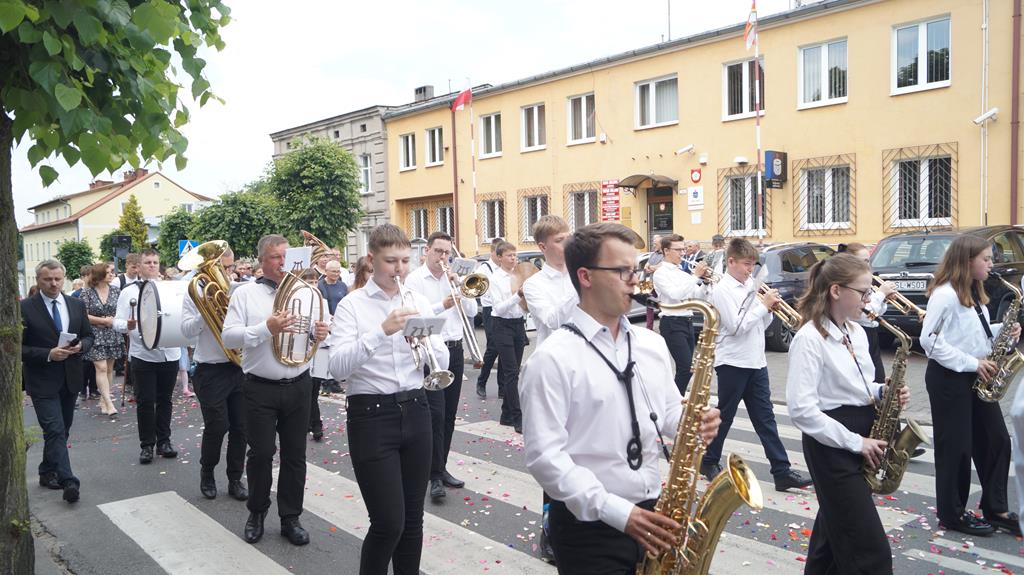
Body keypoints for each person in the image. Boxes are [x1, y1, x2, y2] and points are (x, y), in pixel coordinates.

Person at [521, 223, 721, 574]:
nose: (635, 280)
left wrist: (694, 421)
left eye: (636, 269)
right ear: (585, 276)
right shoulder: (552, 358)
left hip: (653, 511)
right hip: (590, 528)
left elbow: (669, 412)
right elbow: (544, 457)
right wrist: (617, 512)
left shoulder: (651, 344)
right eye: (622, 271)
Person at [328, 223, 449, 574]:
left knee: (413, 523)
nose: (399, 270)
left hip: (415, 408)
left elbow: (438, 353)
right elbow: (337, 367)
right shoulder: (353, 305)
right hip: (372, 416)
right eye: (390, 261)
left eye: (404, 261)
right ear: (371, 259)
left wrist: (425, 347)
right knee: (388, 524)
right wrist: (381, 331)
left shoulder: (418, 300)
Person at [786, 253, 910, 575]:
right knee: (870, 551)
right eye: (864, 292)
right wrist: (857, 442)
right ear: (836, 291)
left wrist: (884, 392)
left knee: (832, 537)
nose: (870, 299)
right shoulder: (809, 338)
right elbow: (801, 409)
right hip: (833, 443)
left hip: (861, 433)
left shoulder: (855, 331)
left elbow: (860, 386)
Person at [223, 234, 329, 546]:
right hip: (260, 388)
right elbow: (229, 337)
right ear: (261, 261)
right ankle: (256, 513)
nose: (283, 263)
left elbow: (313, 334)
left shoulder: (307, 293)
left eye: (286, 256)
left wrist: (320, 332)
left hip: (299, 384)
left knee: (296, 456)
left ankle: (290, 517)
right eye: (275, 257)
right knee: (260, 454)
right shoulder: (244, 294)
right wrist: (265, 329)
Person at [919, 234, 1021, 536]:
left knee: (997, 441)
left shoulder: (973, 292)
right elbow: (929, 342)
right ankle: (952, 515)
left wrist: (1004, 329)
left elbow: (970, 332)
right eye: (986, 259)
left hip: (975, 375)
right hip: (950, 379)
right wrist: (973, 363)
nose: (991, 264)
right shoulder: (945, 295)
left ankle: (996, 508)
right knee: (957, 448)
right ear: (966, 262)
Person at [701, 238, 813, 492]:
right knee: (726, 415)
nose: (750, 269)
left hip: (756, 361)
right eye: (745, 264)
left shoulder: (752, 284)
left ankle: (781, 471)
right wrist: (762, 307)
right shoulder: (722, 290)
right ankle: (708, 461)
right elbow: (737, 327)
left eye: (752, 264)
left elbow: (759, 327)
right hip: (732, 361)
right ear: (731, 262)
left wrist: (770, 309)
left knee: (766, 419)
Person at [405, 231, 478, 501]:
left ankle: (441, 467)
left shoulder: (453, 279)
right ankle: (433, 475)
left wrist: (461, 287)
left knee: (448, 414)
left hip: (455, 349)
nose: (443, 257)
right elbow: (414, 319)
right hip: (430, 352)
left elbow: (471, 313)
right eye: (438, 252)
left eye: (447, 252)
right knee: (434, 415)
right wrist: (441, 305)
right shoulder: (415, 279)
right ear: (427, 252)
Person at [21, 260, 95, 505]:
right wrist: (48, 354)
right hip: (41, 379)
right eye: (47, 280)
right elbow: (17, 348)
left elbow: (88, 336)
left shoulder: (75, 304)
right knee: (53, 429)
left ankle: (46, 470)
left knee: (62, 430)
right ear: (38, 280)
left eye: (57, 279)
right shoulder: (26, 308)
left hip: (71, 377)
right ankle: (68, 480)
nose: (53, 284)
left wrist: (82, 346)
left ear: (63, 278)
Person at [181, 246, 248, 503]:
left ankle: (235, 478)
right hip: (210, 369)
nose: (226, 272)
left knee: (241, 427)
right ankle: (207, 473)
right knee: (217, 426)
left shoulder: (239, 290)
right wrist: (205, 310)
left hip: (238, 366)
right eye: (223, 267)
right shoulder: (195, 291)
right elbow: (187, 330)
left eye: (229, 267)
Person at [114, 249, 183, 465]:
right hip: (142, 355)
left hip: (169, 353)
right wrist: (127, 325)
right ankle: (147, 445)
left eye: (155, 262)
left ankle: (164, 441)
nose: (152, 265)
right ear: (140, 265)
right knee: (145, 402)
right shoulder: (128, 292)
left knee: (165, 400)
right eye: (147, 262)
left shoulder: (170, 288)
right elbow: (117, 322)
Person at [652, 234, 711, 394]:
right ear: (666, 251)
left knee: (687, 367)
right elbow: (675, 294)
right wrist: (695, 276)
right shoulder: (661, 273)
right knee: (686, 368)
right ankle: (675, 403)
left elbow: (698, 296)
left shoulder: (683, 273)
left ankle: (676, 401)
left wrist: (705, 283)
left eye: (683, 249)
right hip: (672, 322)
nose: (683, 253)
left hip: (687, 321)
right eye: (678, 249)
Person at [490, 241, 528, 433]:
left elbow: (526, 304)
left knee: (512, 372)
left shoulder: (520, 274)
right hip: (501, 325)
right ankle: (517, 416)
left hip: (518, 325)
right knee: (512, 372)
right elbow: (498, 308)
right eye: (509, 255)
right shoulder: (495, 278)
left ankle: (505, 415)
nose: (514, 258)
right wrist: (518, 296)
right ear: (499, 257)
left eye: (515, 255)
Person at [523, 215, 577, 346]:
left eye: (568, 238)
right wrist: (581, 286)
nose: (567, 244)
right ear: (543, 247)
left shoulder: (579, 274)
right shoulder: (533, 284)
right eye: (559, 240)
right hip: (554, 359)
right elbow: (552, 321)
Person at [81, 262, 123, 417]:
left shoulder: (116, 291)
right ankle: (109, 402)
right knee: (101, 368)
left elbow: (122, 310)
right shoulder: (87, 293)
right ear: (99, 275)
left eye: (112, 272)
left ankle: (104, 400)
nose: (112, 274)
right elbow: (83, 315)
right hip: (95, 334)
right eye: (109, 272)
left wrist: (114, 320)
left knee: (110, 369)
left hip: (112, 333)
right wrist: (103, 321)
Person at [475, 237, 505, 398]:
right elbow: (478, 291)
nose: (501, 257)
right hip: (489, 310)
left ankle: (502, 388)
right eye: (499, 254)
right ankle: (481, 382)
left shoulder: (504, 269)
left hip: (503, 311)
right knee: (493, 348)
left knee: (504, 350)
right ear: (493, 252)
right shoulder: (484, 269)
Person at [642, 234, 664, 330]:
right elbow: (646, 266)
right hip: (649, 282)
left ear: (661, 244)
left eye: (656, 243)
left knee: (662, 306)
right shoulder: (653, 253)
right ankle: (649, 328)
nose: (654, 245)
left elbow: (660, 266)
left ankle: (663, 326)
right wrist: (650, 268)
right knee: (648, 305)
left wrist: (652, 267)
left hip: (659, 284)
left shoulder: (665, 254)